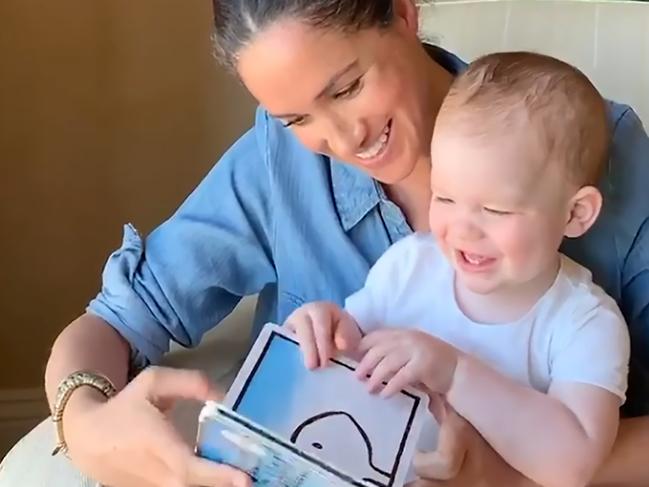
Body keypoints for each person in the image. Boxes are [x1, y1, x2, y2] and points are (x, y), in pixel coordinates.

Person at [5, 0, 646, 486]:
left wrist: (495, 474)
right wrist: (84, 422)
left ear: (402, 14)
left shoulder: (593, 149)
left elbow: (576, 445)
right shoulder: (281, 164)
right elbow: (119, 318)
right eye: (297, 118)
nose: (341, 139)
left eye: (346, 89)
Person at [285, 51, 631, 487]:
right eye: (444, 197)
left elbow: (574, 464)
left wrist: (454, 372)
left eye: (494, 209)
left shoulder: (584, 323)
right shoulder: (409, 266)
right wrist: (322, 330)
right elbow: (352, 358)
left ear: (576, 213)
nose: (463, 229)